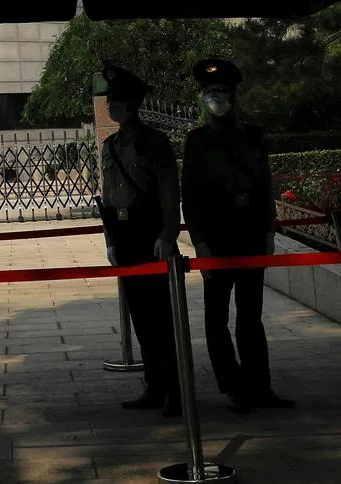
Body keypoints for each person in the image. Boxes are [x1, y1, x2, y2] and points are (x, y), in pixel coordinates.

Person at [182, 58, 294, 412]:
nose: (215, 96)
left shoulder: (253, 136)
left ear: (233, 95)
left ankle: (259, 385)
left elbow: (265, 185)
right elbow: (190, 194)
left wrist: (269, 230)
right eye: (210, 91)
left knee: (250, 315)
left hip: (249, 232)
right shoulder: (197, 141)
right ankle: (232, 386)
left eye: (221, 90)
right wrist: (199, 241)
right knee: (216, 317)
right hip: (216, 237)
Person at [97, 63, 182, 416]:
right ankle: (154, 386)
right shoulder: (111, 145)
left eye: (116, 101)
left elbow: (168, 191)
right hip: (125, 234)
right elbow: (109, 196)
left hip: (150, 234)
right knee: (140, 317)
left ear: (131, 105)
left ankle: (175, 390)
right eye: (110, 101)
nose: (111, 107)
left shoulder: (153, 142)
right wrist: (110, 239)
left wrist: (168, 234)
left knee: (160, 317)